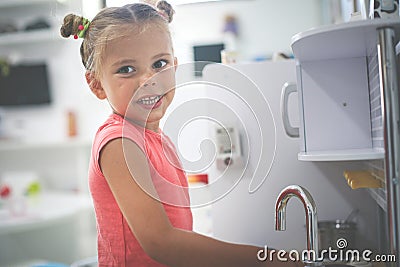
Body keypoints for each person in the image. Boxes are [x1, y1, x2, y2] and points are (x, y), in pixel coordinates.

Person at [60, 2, 304, 266]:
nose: (148, 80)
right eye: (126, 69)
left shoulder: (157, 138)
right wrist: (267, 259)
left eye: (159, 64)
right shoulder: (119, 141)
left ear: (175, 66)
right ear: (96, 84)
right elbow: (161, 243)